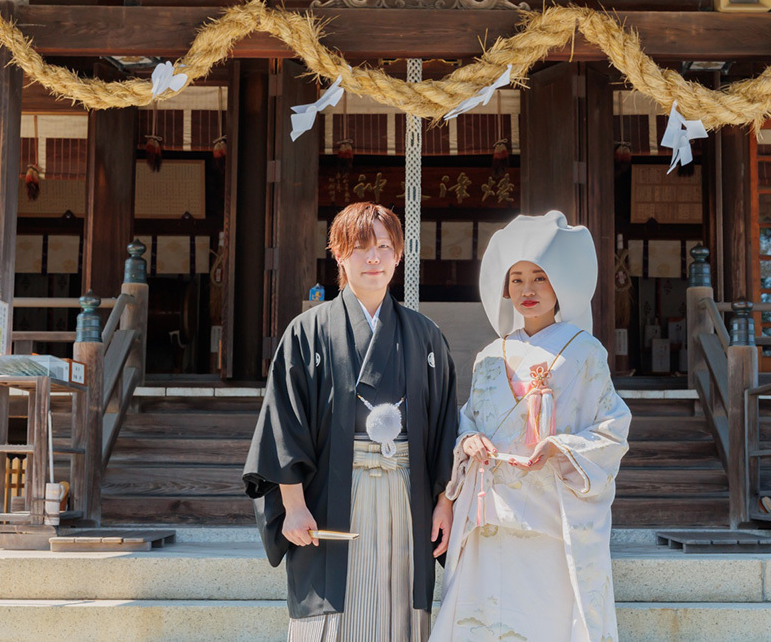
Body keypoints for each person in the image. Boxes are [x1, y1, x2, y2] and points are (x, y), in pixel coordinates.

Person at [243, 202, 458, 642]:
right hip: (330, 496)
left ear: (398, 256)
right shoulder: (308, 332)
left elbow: (444, 426)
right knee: (332, 614)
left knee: (401, 606)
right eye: (360, 247)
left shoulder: (425, 334)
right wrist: (294, 505)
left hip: (407, 492)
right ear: (339, 255)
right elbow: (285, 421)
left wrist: (446, 501)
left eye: (384, 246)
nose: (374, 258)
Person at [431, 211, 631, 642]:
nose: (527, 290)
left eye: (539, 277)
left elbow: (612, 428)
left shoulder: (585, 353)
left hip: (552, 516)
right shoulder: (489, 355)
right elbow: (468, 418)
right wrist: (469, 441)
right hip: (493, 515)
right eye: (517, 279)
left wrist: (560, 448)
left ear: (561, 285)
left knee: (547, 621)